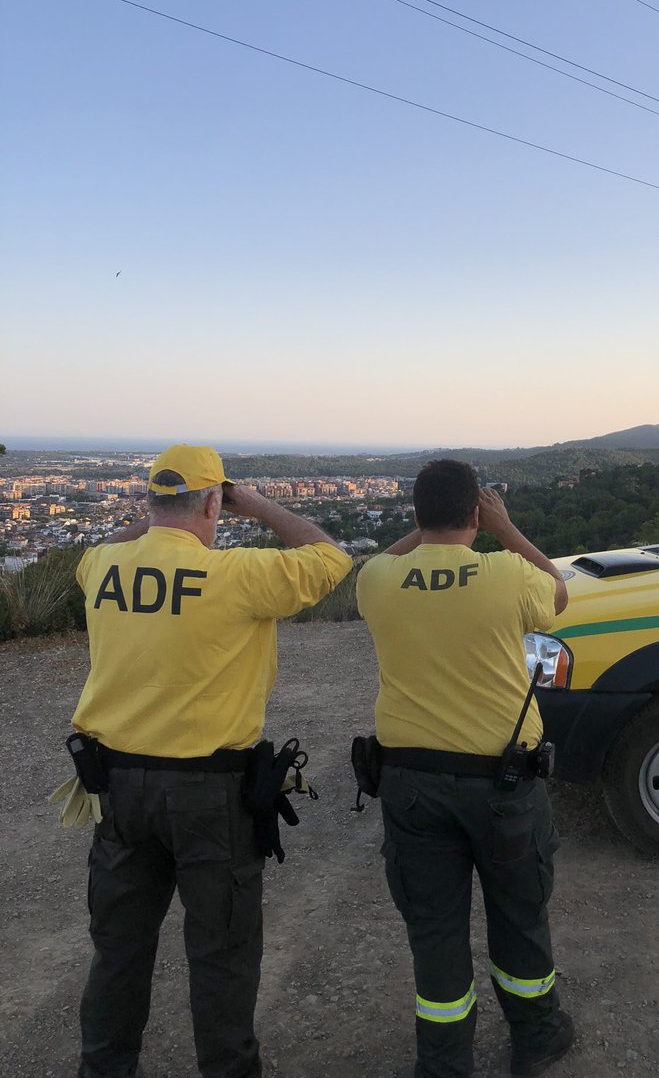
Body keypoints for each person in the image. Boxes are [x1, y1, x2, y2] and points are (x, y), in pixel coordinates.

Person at [68, 443, 352, 1078]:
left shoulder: (101, 568)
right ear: (212, 502)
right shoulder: (238, 575)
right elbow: (331, 557)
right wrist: (251, 502)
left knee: (118, 950)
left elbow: (113, 545)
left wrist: (156, 517)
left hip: (116, 789)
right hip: (209, 797)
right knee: (221, 953)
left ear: (150, 501)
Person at [356, 460, 574, 1078]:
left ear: (416, 515)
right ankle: (535, 1038)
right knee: (519, 918)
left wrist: (421, 534)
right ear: (476, 516)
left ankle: (445, 1063)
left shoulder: (378, 581)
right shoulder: (507, 574)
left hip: (412, 787)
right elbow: (557, 590)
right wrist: (506, 529)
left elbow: (388, 562)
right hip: (504, 786)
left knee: (435, 930)